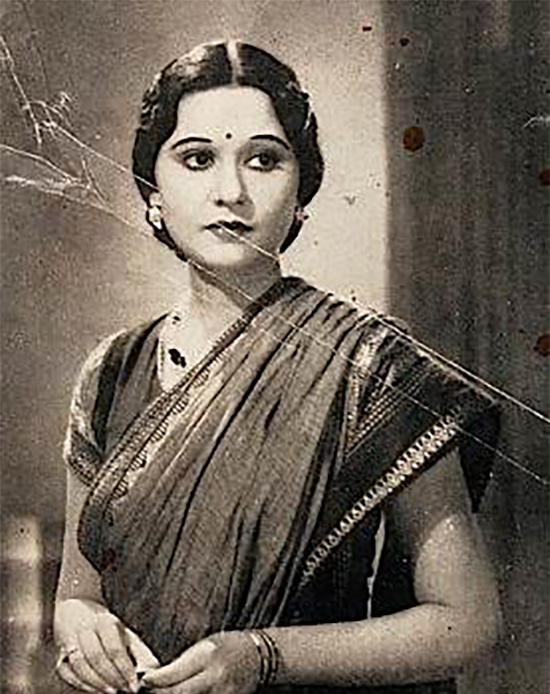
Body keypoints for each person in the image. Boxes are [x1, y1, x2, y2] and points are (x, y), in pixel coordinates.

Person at [54, 41, 502, 694]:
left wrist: (263, 657)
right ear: (154, 191)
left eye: (263, 159)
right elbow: (77, 594)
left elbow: (467, 622)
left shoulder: (372, 366)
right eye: (197, 159)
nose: (231, 192)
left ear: (300, 193)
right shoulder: (111, 374)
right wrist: (82, 624)